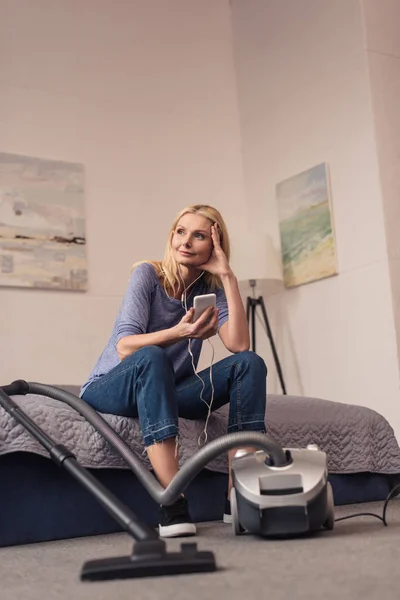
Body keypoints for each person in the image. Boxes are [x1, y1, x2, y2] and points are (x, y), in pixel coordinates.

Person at [80, 204, 267, 537]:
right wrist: (178, 333)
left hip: (170, 388)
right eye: (181, 232)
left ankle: (239, 495)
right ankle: (172, 501)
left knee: (250, 364)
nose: (186, 242)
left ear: (215, 244)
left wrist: (227, 276)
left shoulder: (210, 291)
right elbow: (125, 347)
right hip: (113, 385)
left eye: (199, 236)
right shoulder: (148, 274)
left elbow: (239, 345)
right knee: (153, 356)